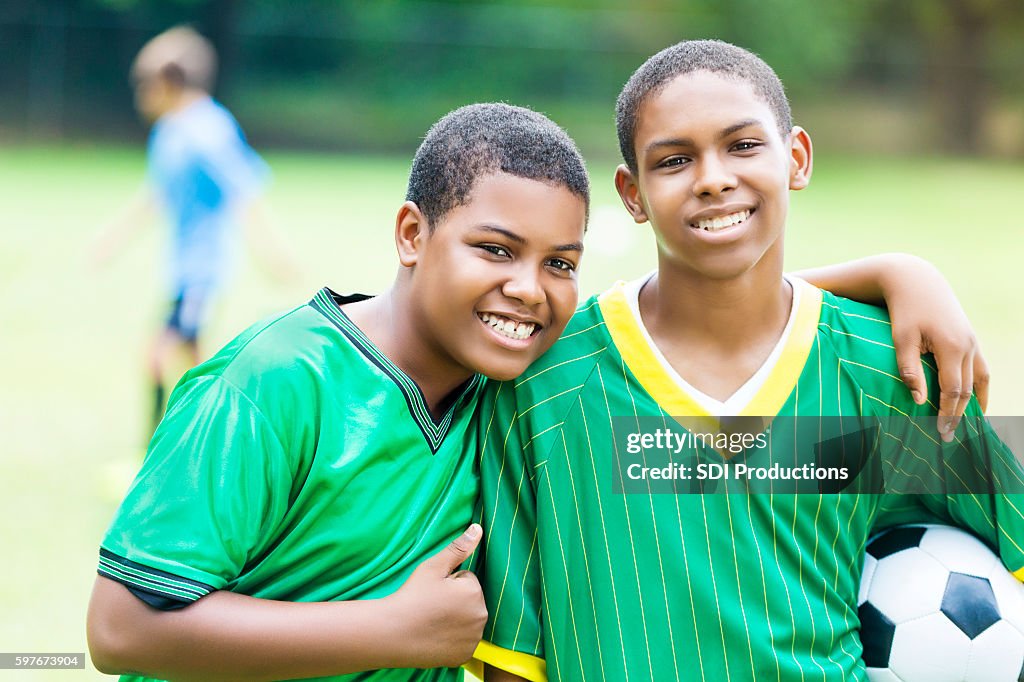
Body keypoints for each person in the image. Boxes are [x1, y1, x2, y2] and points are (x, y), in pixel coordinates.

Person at [88, 102, 984, 680]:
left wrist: (895, 271)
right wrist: (392, 631)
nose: (529, 288)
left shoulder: (523, 384)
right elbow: (121, 629)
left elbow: (701, 316)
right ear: (412, 232)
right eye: (495, 249)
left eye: (560, 263)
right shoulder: (275, 383)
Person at [474, 41, 1022, 681]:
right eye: (675, 160)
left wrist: (903, 270)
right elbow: (512, 659)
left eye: (742, 146)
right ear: (633, 193)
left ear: (796, 158)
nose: (712, 177)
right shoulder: (545, 384)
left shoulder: (886, 370)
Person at [91, 26, 293, 433]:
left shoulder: (209, 130)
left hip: (203, 271)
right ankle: (205, 443)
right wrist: (114, 237)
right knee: (197, 366)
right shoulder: (170, 131)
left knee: (157, 357)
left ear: (169, 82)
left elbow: (244, 191)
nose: (140, 96)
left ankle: (152, 454)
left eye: (145, 85)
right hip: (181, 269)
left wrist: (272, 253)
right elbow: (159, 192)